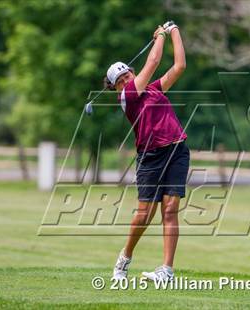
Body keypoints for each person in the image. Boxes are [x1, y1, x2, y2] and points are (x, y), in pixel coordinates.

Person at [105, 22, 189, 282]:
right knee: (145, 214)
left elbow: (179, 67)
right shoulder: (127, 97)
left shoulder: (154, 89)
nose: (126, 80)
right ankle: (124, 259)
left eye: (127, 74)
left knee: (170, 209)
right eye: (120, 81)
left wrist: (175, 30)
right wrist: (160, 36)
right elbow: (152, 61)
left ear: (131, 71)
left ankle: (166, 270)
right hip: (150, 157)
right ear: (118, 87)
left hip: (176, 150)